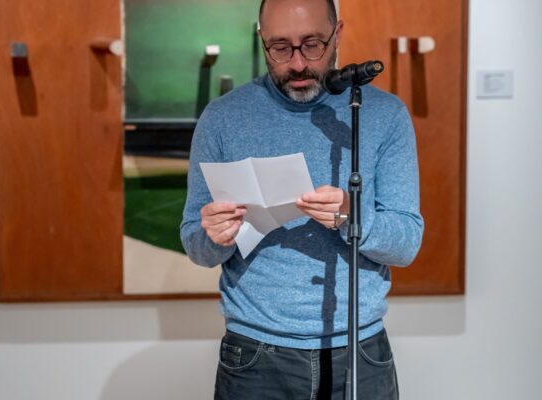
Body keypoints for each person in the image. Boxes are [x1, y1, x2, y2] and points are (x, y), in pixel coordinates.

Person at [180, 0, 424, 398]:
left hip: (359, 351)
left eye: (312, 44)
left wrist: (351, 215)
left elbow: (407, 243)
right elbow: (198, 245)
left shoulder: (382, 114)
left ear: (337, 34)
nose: (296, 64)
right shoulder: (222, 118)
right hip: (255, 356)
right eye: (279, 47)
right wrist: (214, 235)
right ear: (261, 40)